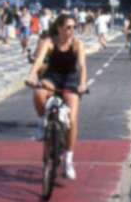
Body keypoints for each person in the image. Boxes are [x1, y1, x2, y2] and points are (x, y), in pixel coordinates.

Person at [26, 13, 88, 180]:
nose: (72, 30)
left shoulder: (76, 44)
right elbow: (39, 60)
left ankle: (68, 161)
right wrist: (32, 76)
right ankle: (41, 122)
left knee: (72, 118)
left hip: (70, 80)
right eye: (68, 27)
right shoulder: (50, 42)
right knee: (38, 93)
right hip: (52, 78)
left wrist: (82, 84)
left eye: (74, 27)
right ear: (59, 28)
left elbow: (82, 65)